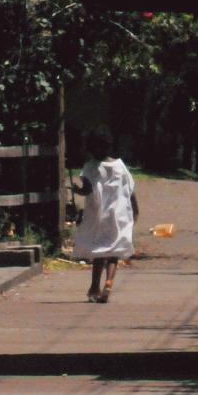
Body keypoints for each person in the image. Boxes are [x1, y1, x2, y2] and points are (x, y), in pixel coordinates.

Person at [71, 128, 139, 303]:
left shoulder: (90, 167)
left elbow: (87, 190)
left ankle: (94, 286)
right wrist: (135, 209)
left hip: (99, 215)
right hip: (118, 215)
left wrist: (77, 190)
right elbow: (130, 190)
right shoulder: (120, 166)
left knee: (100, 252)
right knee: (114, 250)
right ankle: (108, 283)